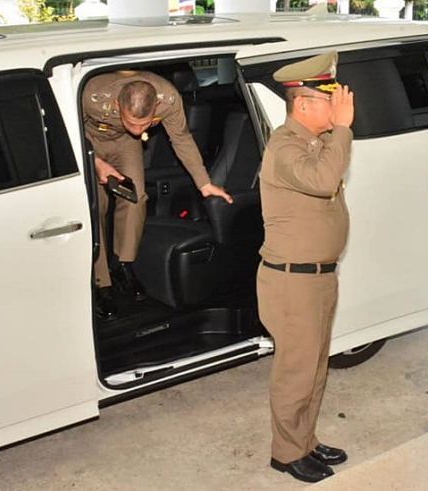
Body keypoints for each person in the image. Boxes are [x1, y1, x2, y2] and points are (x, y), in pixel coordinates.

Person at [256, 51, 354, 483]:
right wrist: (345, 130)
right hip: (291, 280)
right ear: (303, 104)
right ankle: (286, 452)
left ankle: (306, 440)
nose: (337, 107)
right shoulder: (284, 146)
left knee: (315, 366)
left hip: (317, 277)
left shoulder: (313, 142)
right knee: (296, 370)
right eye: (329, 99)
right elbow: (321, 182)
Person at [82, 70, 232, 319]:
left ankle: (123, 265)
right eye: (133, 122)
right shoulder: (92, 94)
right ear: (118, 104)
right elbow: (64, 129)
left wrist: (204, 183)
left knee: (136, 197)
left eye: (145, 124)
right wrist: (96, 162)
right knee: (97, 205)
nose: (139, 129)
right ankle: (102, 283)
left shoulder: (169, 99)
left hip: (124, 144)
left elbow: (181, 139)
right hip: (87, 139)